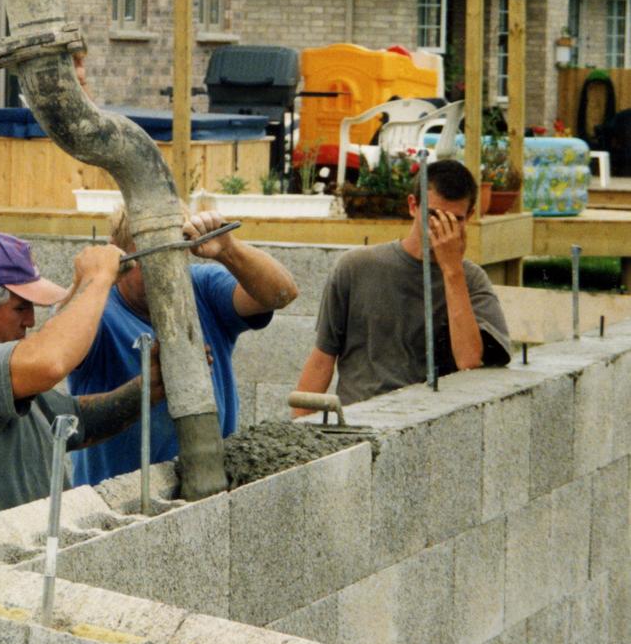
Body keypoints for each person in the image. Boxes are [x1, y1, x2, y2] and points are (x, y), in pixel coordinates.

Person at [0, 230, 162, 533]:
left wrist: (148, 388)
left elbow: (78, 423)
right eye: (20, 308)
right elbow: (51, 362)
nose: (30, 321)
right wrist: (99, 278)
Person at [69, 205, 298, 484]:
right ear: (120, 255)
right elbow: (55, 357)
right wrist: (92, 283)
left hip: (209, 483)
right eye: (150, 259)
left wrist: (228, 249)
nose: (164, 273)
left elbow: (280, 294)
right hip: (118, 496)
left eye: (174, 255)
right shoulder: (97, 313)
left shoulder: (201, 287)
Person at [293, 158, 510, 412]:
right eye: (432, 215)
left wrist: (452, 271)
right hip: (359, 418)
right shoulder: (355, 267)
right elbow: (322, 359)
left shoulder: (472, 280)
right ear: (412, 206)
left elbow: (469, 361)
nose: (439, 228)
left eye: (454, 220)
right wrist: (299, 429)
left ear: (469, 217)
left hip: (425, 422)